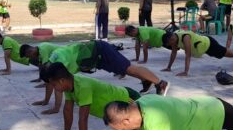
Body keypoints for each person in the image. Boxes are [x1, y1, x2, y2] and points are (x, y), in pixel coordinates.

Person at [25, 40, 169, 114]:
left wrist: (56, 108)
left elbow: (57, 87)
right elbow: (54, 85)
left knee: (128, 69)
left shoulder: (59, 62)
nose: (53, 85)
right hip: (97, 58)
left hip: (100, 51)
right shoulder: (52, 63)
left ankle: (160, 83)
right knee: (125, 70)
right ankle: (146, 80)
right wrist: (45, 101)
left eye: (51, 82)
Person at [44, 62, 141, 130]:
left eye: (54, 84)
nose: (54, 88)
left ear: (62, 81)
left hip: (128, 98)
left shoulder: (83, 86)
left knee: (145, 123)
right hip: (119, 103)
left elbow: (83, 118)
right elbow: (67, 110)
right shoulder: (68, 86)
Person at [161, 30, 233, 76]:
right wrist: (168, 67)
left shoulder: (185, 38)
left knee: (229, 54)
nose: (171, 46)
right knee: (228, 53)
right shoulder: (174, 38)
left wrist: (185, 72)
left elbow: (188, 55)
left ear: (171, 39)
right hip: (204, 46)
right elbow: (173, 53)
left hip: (209, 45)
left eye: (170, 44)